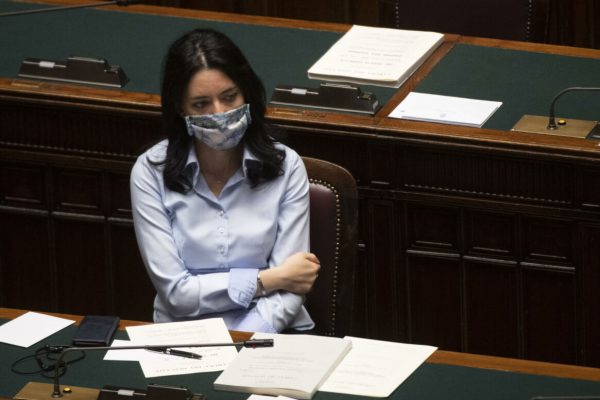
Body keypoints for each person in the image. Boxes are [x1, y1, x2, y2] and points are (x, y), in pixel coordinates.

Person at [130, 28, 320, 333]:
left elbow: (291, 290)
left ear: (247, 93)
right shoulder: (150, 172)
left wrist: (243, 340)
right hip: (182, 336)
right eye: (201, 104)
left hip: (268, 333)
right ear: (181, 108)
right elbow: (177, 295)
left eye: (229, 97)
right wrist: (268, 279)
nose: (219, 113)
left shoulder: (287, 166)